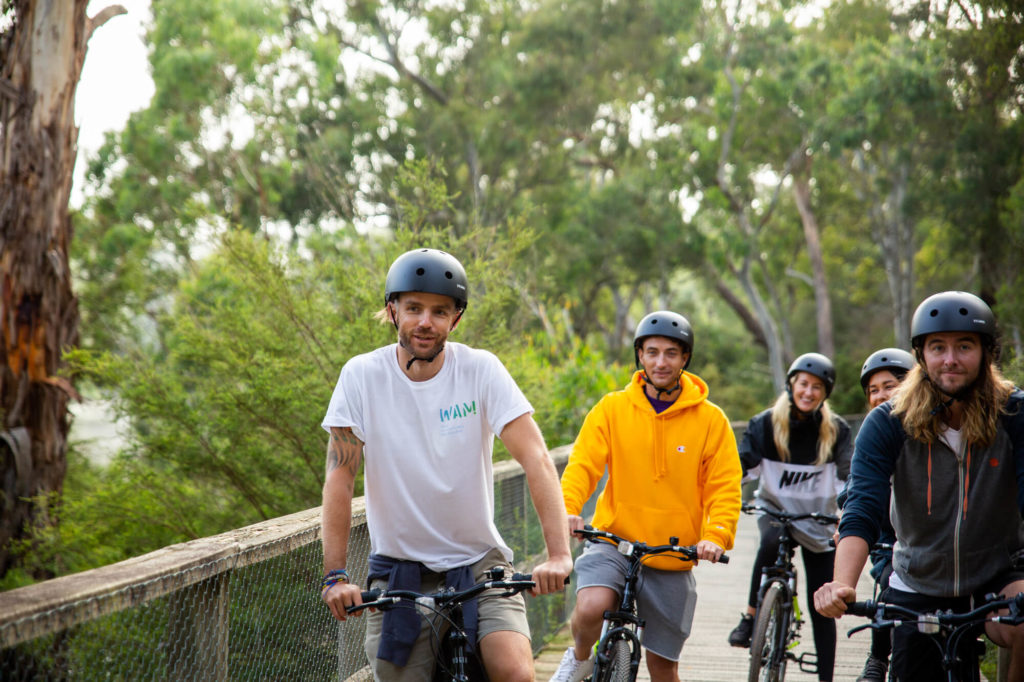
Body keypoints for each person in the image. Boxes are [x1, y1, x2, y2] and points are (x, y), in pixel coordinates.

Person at [319, 247, 573, 682]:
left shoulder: (480, 370)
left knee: (516, 672)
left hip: (479, 562)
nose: (425, 321)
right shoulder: (361, 376)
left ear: (455, 319)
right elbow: (340, 478)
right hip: (399, 570)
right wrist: (335, 576)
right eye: (413, 307)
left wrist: (559, 555)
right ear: (392, 310)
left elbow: (535, 458)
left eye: (440, 311)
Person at [814, 291, 1024, 681]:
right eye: (937, 347)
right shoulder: (888, 422)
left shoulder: (1014, 414)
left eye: (964, 346)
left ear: (986, 353)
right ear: (920, 355)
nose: (950, 359)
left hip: (998, 572)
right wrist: (842, 584)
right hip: (918, 578)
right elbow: (862, 509)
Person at [551, 310, 743, 682]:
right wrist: (568, 510)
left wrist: (715, 536)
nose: (661, 362)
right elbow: (583, 466)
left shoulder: (711, 420)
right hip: (615, 539)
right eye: (652, 352)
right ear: (639, 355)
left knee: (663, 667)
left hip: (673, 552)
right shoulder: (612, 408)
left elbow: (724, 485)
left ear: (685, 358)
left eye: (671, 353)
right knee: (591, 607)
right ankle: (578, 658)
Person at [727, 352, 852, 682]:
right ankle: (752, 616)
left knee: (820, 606)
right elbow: (740, 470)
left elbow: (847, 480)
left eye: (817, 387)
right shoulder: (765, 424)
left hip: (818, 521)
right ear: (791, 385)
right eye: (803, 384)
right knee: (768, 542)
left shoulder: (836, 431)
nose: (808, 392)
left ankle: (826, 677)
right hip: (775, 511)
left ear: (825, 394)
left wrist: (846, 516)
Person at [849, 347, 914, 682]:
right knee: (891, 584)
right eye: (873, 391)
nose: (880, 396)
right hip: (888, 542)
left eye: (889, 386)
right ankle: (877, 658)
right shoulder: (873, 433)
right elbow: (856, 490)